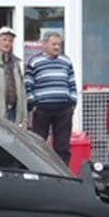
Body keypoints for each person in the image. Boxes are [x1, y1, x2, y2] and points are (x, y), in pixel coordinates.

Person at [26, 32, 77, 163]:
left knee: (62, 146)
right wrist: (33, 103)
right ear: (45, 44)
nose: (57, 47)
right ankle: (40, 171)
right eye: (54, 44)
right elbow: (28, 83)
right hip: (42, 109)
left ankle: (62, 174)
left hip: (64, 109)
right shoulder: (35, 61)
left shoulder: (66, 61)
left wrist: (72, 101)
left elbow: (72, 82)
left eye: (59, 44)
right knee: (39, 143)